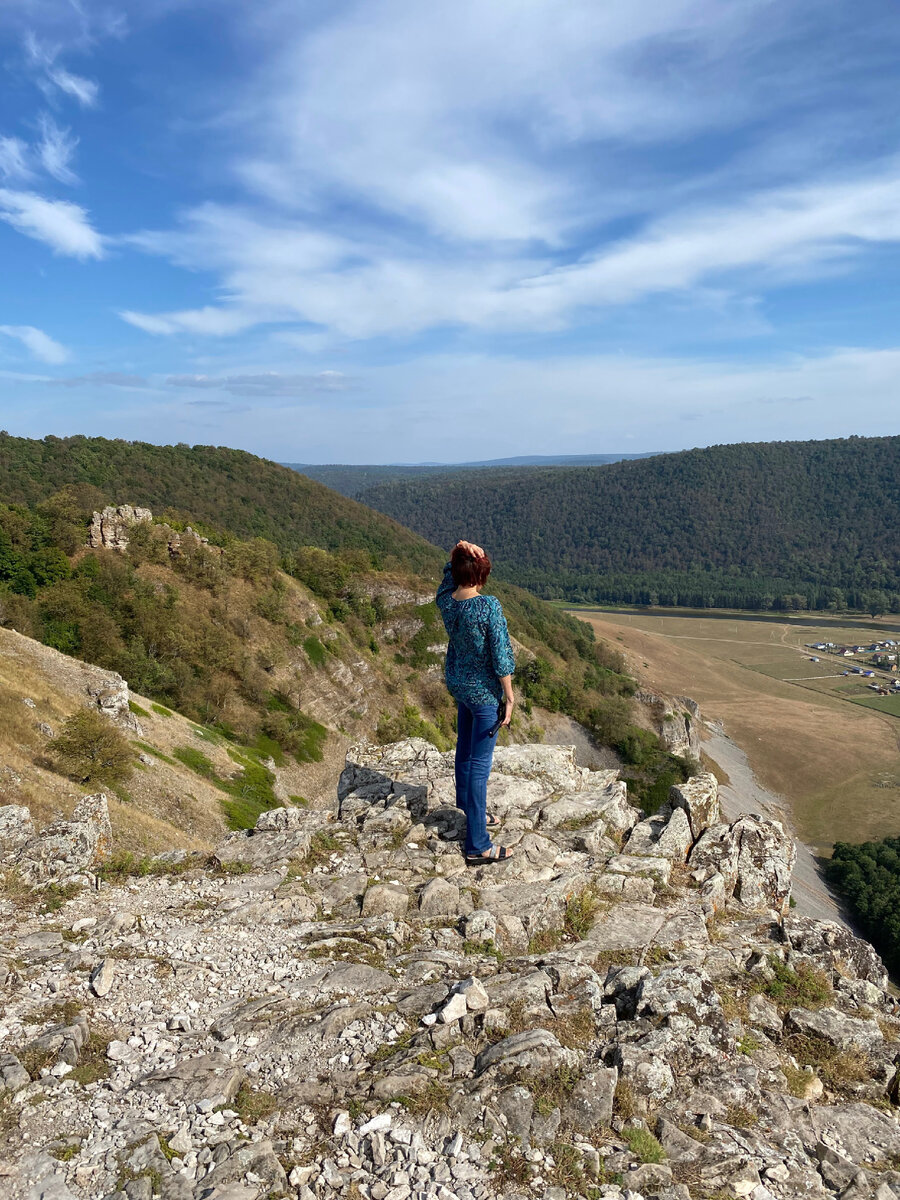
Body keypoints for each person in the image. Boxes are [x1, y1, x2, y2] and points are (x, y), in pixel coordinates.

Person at [436, 539, 516, 864]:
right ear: (481, 574)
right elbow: (501, 656)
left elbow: (447, 577)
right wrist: (509, 696)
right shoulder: (487, 607)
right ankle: (478, 845)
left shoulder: (447, 601)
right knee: (479, 765)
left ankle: (470, 810)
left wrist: (457, 550)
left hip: (460, 686)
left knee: (464, 751)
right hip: (483, 694)